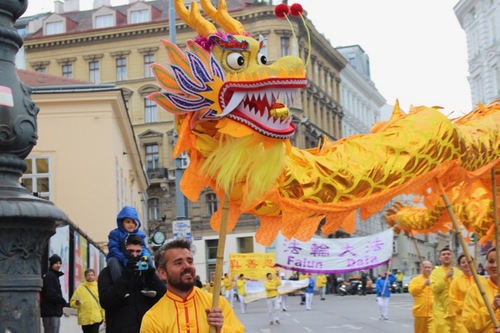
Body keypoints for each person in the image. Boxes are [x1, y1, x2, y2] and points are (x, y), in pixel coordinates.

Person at [140, 239, 244, 333]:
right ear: (162, 273)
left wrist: (220, 330)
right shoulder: (153, 318)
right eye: (178, 263)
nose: (187, 266)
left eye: (190, 261)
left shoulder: (217, 305)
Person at [98, 234, 166, 333]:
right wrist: (126, 276)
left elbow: (163, 296)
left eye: (138, 251)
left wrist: (151, 275)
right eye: (131, 251)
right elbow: (105, 301)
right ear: (123, 251)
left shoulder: (146, 273)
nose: (134, 255)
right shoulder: (109, 272)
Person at [107, 206, 153, 295]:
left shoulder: (140, 235)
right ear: (121, 223)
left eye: (133, 222)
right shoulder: (115, 234)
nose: (131, 224)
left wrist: (145, 257)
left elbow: (143, 248)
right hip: (120, 260)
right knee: (113, 261)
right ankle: (120, 288)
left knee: (149, 260)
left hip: (135, 259)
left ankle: (146, 285)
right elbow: (113, 249)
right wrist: (125, 260)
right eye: (128, 222)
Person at [462, 247, 500, 333]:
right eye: (491, 261)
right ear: (486, 265)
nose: (495, 265)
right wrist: (491, 307)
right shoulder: (476, 289)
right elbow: (469, 324)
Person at [450, 253, 487, 333]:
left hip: (481, 319)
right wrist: (468, 306)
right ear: (459, 266)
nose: (466, 264)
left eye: (468, 261)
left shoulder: (482, 280)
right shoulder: (455, 282)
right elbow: (452, 302)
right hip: (462, 321)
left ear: (473, 263)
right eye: (463, 262)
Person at [430, 246, 462, 333]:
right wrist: (445, 277)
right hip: (441, 311)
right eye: (444, 254)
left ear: (452, 257)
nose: (446, 256)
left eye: (448, 254)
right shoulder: (435, 272)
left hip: (456, 311)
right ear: (440, 258)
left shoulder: (458, 272)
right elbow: (434, 289)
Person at [70, 268, 105, 333]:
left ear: (94, 276)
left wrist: (104, 316)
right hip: (84, 318)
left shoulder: (98, 287)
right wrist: (76, 303)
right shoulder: (80, 288)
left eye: (91, 275)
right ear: (85, 276)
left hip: (96, 317)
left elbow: (103, 302)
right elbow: (72, 303)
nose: (90, 277)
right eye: (88, 275)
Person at [41, 254, 68, 333]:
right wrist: (62, 301)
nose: (58, 265)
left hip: (54, 311)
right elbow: (50, 294)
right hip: (50, 311)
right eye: (56, 263)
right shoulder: (49, 276)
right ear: (51, 263)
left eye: (60, 263)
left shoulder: (54, 276)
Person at [409, 261, 435, 333]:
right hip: (420, 313)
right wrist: (423, 285)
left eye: (429, 267)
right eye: (425, 267)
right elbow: (413, 292)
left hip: (433, 314)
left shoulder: (435, 279)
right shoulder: (415, 280)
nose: (427, 269)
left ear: (432, 269)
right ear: (421, 268)